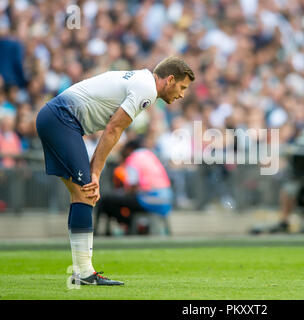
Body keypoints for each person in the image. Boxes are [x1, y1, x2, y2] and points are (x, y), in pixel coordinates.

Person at [35, 56, 195, 286]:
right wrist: (96, 173)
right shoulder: (147, 89)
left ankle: (82, 272)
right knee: (86, 193)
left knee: (82, 196)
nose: (181, 94)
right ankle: (83, 273)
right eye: (182, 87)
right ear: (170, 80)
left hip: (57, 118)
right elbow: (113, 129)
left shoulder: (142, 79)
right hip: (62, 119)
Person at [94, 139, 173, 236]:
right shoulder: (150, 155)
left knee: (106, 200)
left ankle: (97, 232)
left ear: (129, 149)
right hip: (166, 200)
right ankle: (133, 226)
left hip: (148, 199)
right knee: (124, 202)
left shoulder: (133, 158)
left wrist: (121, 193)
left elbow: (132, 185)